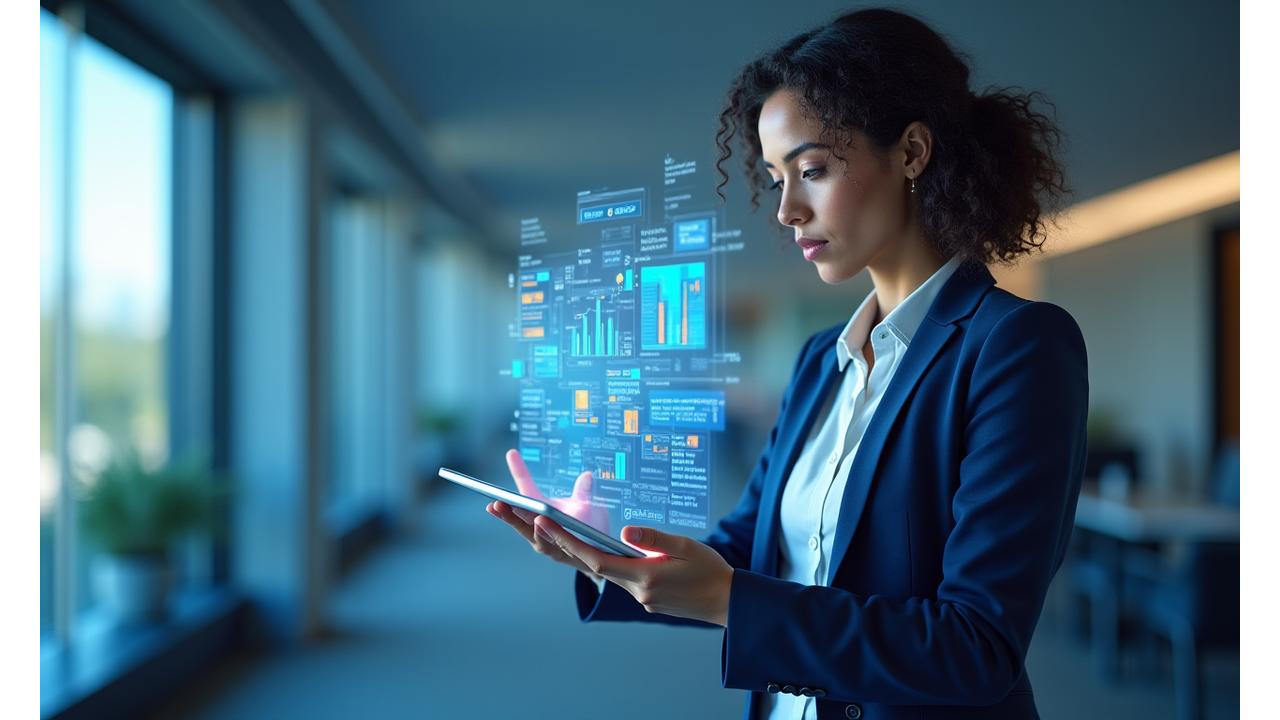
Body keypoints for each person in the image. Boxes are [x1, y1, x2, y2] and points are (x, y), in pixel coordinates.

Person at [487, 7, 1087, 719]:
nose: (787, 210)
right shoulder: (820, 361)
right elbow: (751, 550)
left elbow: (976, 647)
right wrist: (605, 552)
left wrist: (728, 600)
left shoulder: (1015, 346)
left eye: (813, 170)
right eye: (777, 179)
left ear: (913, 152)